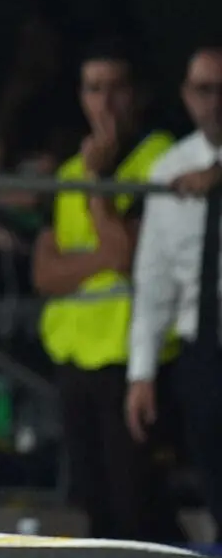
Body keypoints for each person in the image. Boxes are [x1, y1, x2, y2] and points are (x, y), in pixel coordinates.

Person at [31, 39, 181, 542]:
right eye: (94, 89)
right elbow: (44, 273)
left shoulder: (162, 160)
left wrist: (98, 187)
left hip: (133, 360)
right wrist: (101, 257)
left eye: (117, 88)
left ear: (138, 94)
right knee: (93, 505)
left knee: (137, 504)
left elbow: (126, 257)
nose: (105, 102)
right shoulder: (70, 171)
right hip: (75, 357)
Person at [128, 44, 222, 543]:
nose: (215, 102)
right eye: (204, 90)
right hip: (201, 349)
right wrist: (141, 373)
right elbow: (155, 278)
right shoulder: (170, 169)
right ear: (186, 96)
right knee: (211, 473)